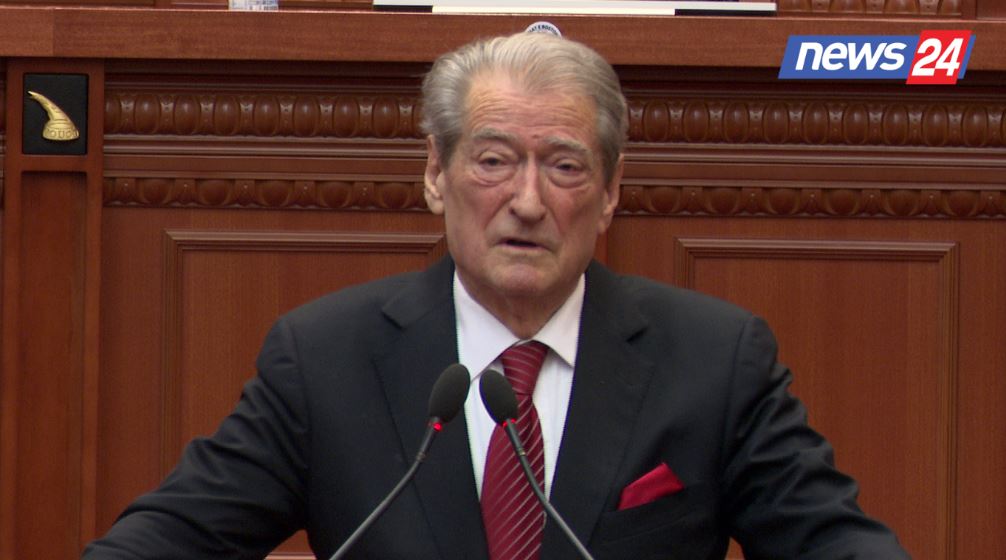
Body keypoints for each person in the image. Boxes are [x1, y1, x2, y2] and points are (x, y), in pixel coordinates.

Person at [84, 32, 909, 559]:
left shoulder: (714, 361)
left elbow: (839, 545)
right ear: (435, 175)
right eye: (492, 160)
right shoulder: (326, 360)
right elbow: (166, 539)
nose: (527, 201)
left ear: (610, 194)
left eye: (564, 165)